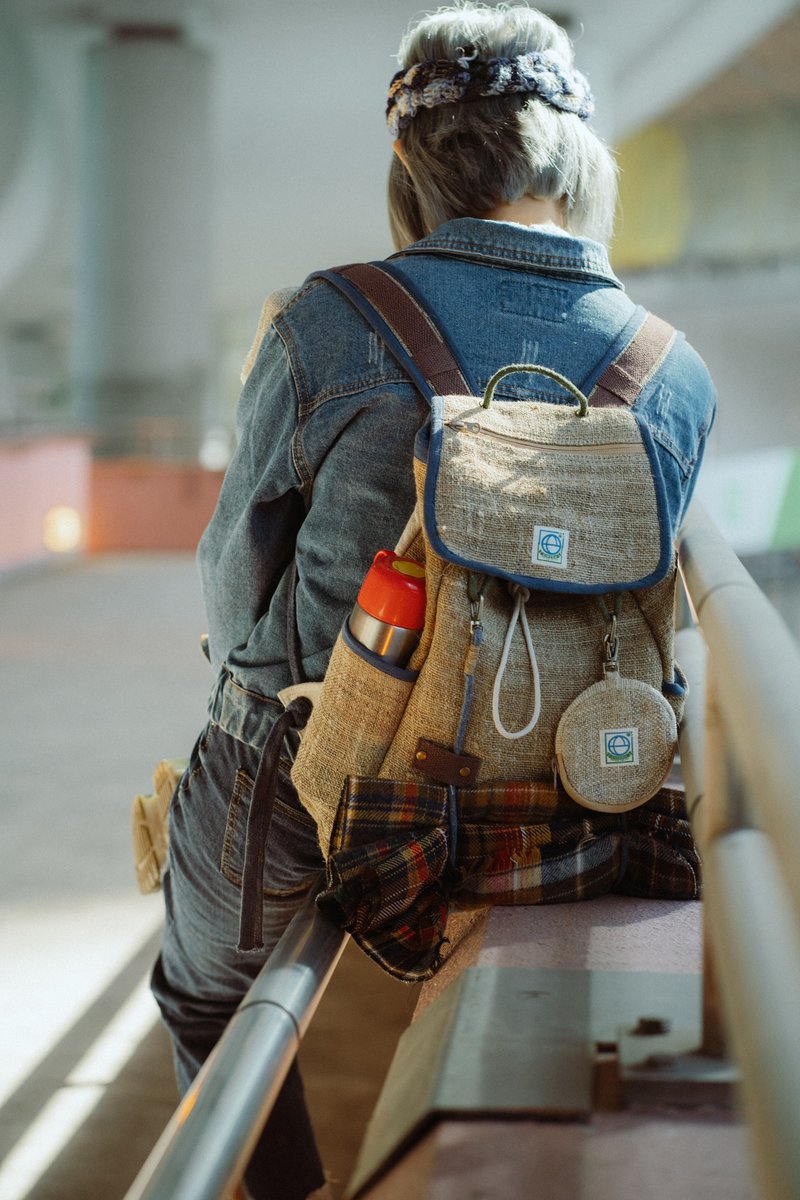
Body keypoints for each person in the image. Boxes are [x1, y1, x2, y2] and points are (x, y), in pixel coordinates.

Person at [151, 4, 716, 1198]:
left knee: (206, 989)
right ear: (574, 162)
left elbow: (234, 579)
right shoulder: (671, 368)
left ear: (412, 167)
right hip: (577, 781)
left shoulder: (332, 319)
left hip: (326, 774)